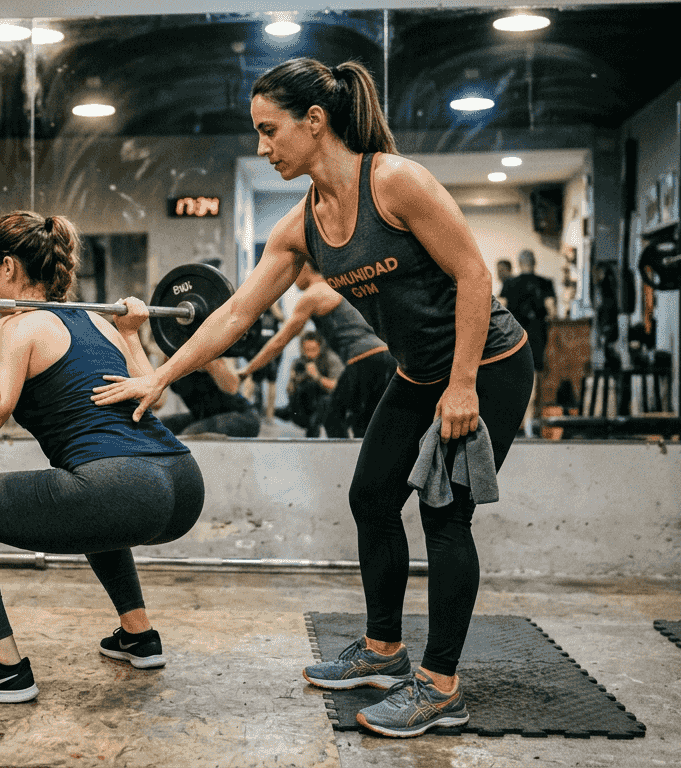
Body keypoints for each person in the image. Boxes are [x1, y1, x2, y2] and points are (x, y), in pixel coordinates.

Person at [92, 57, 533, 738]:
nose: (263, 148)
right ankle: (384, 651)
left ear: (316, 122)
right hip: (417, 375)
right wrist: (162, 374)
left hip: (490, 364)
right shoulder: (301, 225)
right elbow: (236, 311)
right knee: (371, 496)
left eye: (271, 131)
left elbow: (474, 275)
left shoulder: (394, 182)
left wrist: (465, 384)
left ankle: (442, 687)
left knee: (446, 513)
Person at [0, 211, 204, 704]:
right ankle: (138, 635)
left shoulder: (18, 327)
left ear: (9, 269)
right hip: (180, 481)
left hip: (122, 488)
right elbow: (151, 397)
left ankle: (2, 669)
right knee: (90, 494)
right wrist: (133, 333)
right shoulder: (96, 320)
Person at [239, 263, 395, 438]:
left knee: (332, 415)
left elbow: (280, 341)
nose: (292, 280)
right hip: (387, 357)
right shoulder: (338, 288)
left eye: (295, 272)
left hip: (364, 359)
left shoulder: (313, 294)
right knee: (365, 423)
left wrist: (247, 369)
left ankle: (343, 462)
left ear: (305, 267)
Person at [499, 249, 556, 434]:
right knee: (534, 382)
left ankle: (518, 424)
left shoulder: (509, 284)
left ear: (519, 262)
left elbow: (500, 309)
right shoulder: (545, 283)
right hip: (537, 336)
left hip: (513, 338)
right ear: (534, 262)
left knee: (515, 381)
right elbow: (552, 310)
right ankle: (531, 424)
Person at [160, 356, 261, 438]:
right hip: (203, 417)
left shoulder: (208, 352)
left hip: (243, 416)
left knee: (190, 435)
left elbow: (232, 386)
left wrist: (209, 360)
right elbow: (158, 403)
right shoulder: (170, 355)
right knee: (155, 428)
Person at [276, 331, 341, 437]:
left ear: (320, 348)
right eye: (306, 350)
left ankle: (313, 427)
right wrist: (294, 379)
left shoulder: (330, 359)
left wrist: (317, 377)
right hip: (304, 405)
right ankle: (290, 413)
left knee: (323, 402)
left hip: (327, 402)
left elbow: (337, 388)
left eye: (313, 350)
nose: (309, 354)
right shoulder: (299, 362)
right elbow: (290, 390)